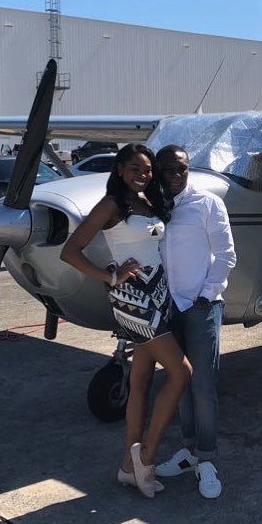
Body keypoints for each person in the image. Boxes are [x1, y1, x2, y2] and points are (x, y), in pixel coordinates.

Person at [60, 143, 191, 499]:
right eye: (134, 168)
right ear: (119, 170)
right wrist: (111, 276)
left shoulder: (148, 201)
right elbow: (70, 251)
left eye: (147, 169)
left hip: (159, 294)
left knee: (142, 379)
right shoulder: (112, 205)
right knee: (181, 373)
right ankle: (146, 457)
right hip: (134, 300)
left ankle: (127, 467)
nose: (142, 175)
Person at [154, 144, 236, 499]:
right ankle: (188, 450)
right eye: (168, 170)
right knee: (179, 383)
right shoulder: (154, 209)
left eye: (181, 170)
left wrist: (205, 297)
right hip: (168, 309)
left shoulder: (207, 203)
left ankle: (207, 458)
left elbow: (227, 255)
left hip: (200, 307)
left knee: (202, 386)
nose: (176, 176)